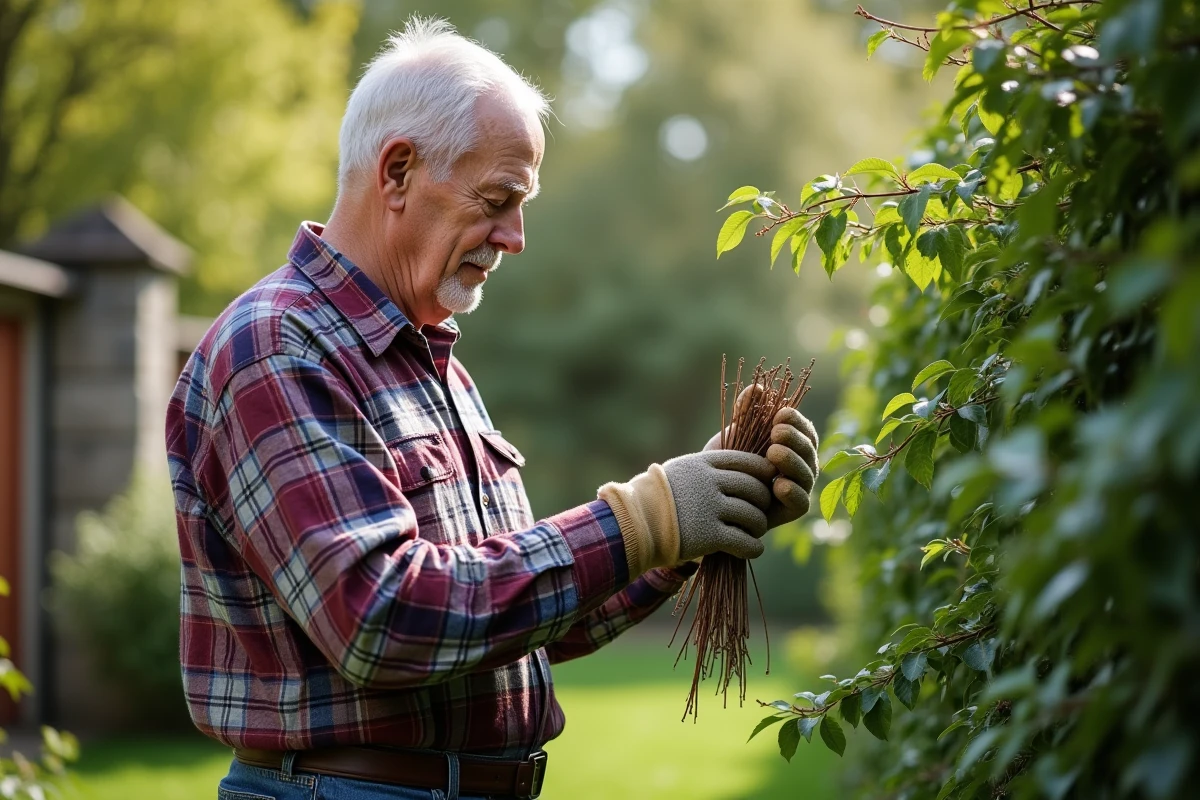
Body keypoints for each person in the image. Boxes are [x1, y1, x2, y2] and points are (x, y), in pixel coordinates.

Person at [165, 17, 819, 800]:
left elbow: (518, 617)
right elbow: (384, 620)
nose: (514, 237)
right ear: (398, 171)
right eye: (497, 199)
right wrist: (643, 517)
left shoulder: (434, 366)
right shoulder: (277, 348)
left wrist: (693, 521)